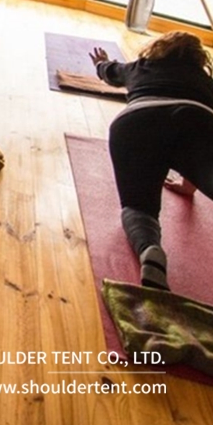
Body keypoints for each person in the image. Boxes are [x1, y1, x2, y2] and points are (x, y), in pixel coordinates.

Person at [90, 31, 213, 290]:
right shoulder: (206, 82)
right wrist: (190, 184)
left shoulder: (141, 67)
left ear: (159, 49)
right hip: (197, 121)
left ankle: (149, 250)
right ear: (199, 59)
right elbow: (199, 146)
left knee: (138, 208)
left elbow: (111, 72)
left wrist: (101, 63)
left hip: (135, 124)